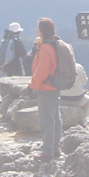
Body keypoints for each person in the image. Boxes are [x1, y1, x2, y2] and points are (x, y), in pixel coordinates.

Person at [29, 17, 61, 162]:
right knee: (55, 118)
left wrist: (32, 85)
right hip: (55, 86)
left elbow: (42, 71)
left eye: (38, 27)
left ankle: (47, 152)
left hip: (46, 88)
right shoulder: (53, 44)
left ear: (43, 30)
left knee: (47, 120)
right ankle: (55, 149)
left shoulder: (46, 48)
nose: (36, 29)